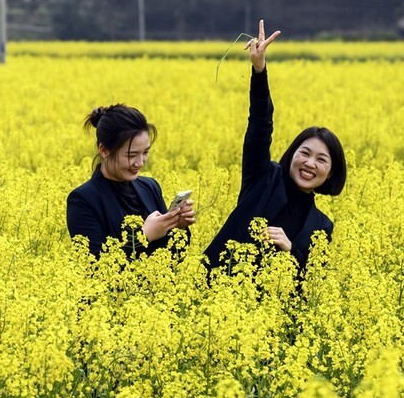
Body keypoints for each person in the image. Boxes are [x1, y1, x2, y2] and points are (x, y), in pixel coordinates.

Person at [205, 20, 346, 271]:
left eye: (321, 160)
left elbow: (312, 286)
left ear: (331, 172)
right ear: (292, 155)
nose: (310, 163)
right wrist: (259, 70)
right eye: (305, 153)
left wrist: (290, 249)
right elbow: (259, 128)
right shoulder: (263, 180)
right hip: (218, 293)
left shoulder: (322, 227)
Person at [67, 103, 195, 260]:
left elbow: (173, 258)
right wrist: (144, 236)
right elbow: (93, 266)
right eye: (131, 155)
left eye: (145, 152)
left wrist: (178, 227)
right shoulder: (83, 200)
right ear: (104, 151)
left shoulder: (150, 187)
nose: (140, 162)